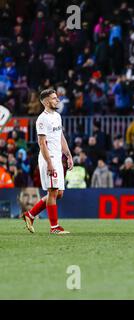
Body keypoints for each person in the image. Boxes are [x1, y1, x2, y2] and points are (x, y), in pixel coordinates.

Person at [23, 89, 73, 234]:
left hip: (57, 157)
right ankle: (54, 227)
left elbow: (60, 136)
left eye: (57, 98)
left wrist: (68, 155)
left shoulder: (57, 116)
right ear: (45, 101)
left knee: (59, 193)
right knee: (52, 192)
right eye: (53, 98)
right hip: (48, 158)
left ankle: (30, 214)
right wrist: (49, 163)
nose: (57, 100)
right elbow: (42, 143)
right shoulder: (42, 119)